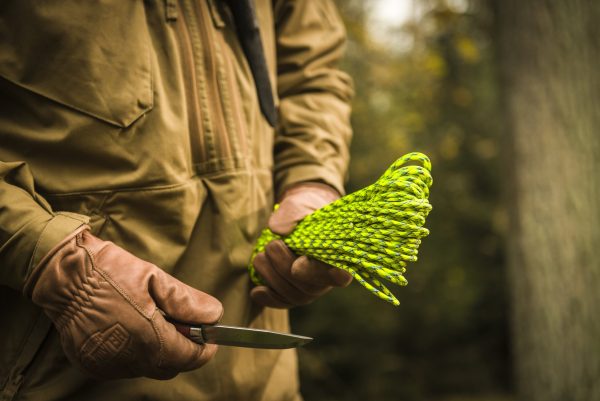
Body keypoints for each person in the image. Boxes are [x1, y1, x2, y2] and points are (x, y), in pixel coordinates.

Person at [0, 0, 353, 400]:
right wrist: (58, 268)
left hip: (267, 384)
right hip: (56, 380)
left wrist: (311, 182)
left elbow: (312, 72)